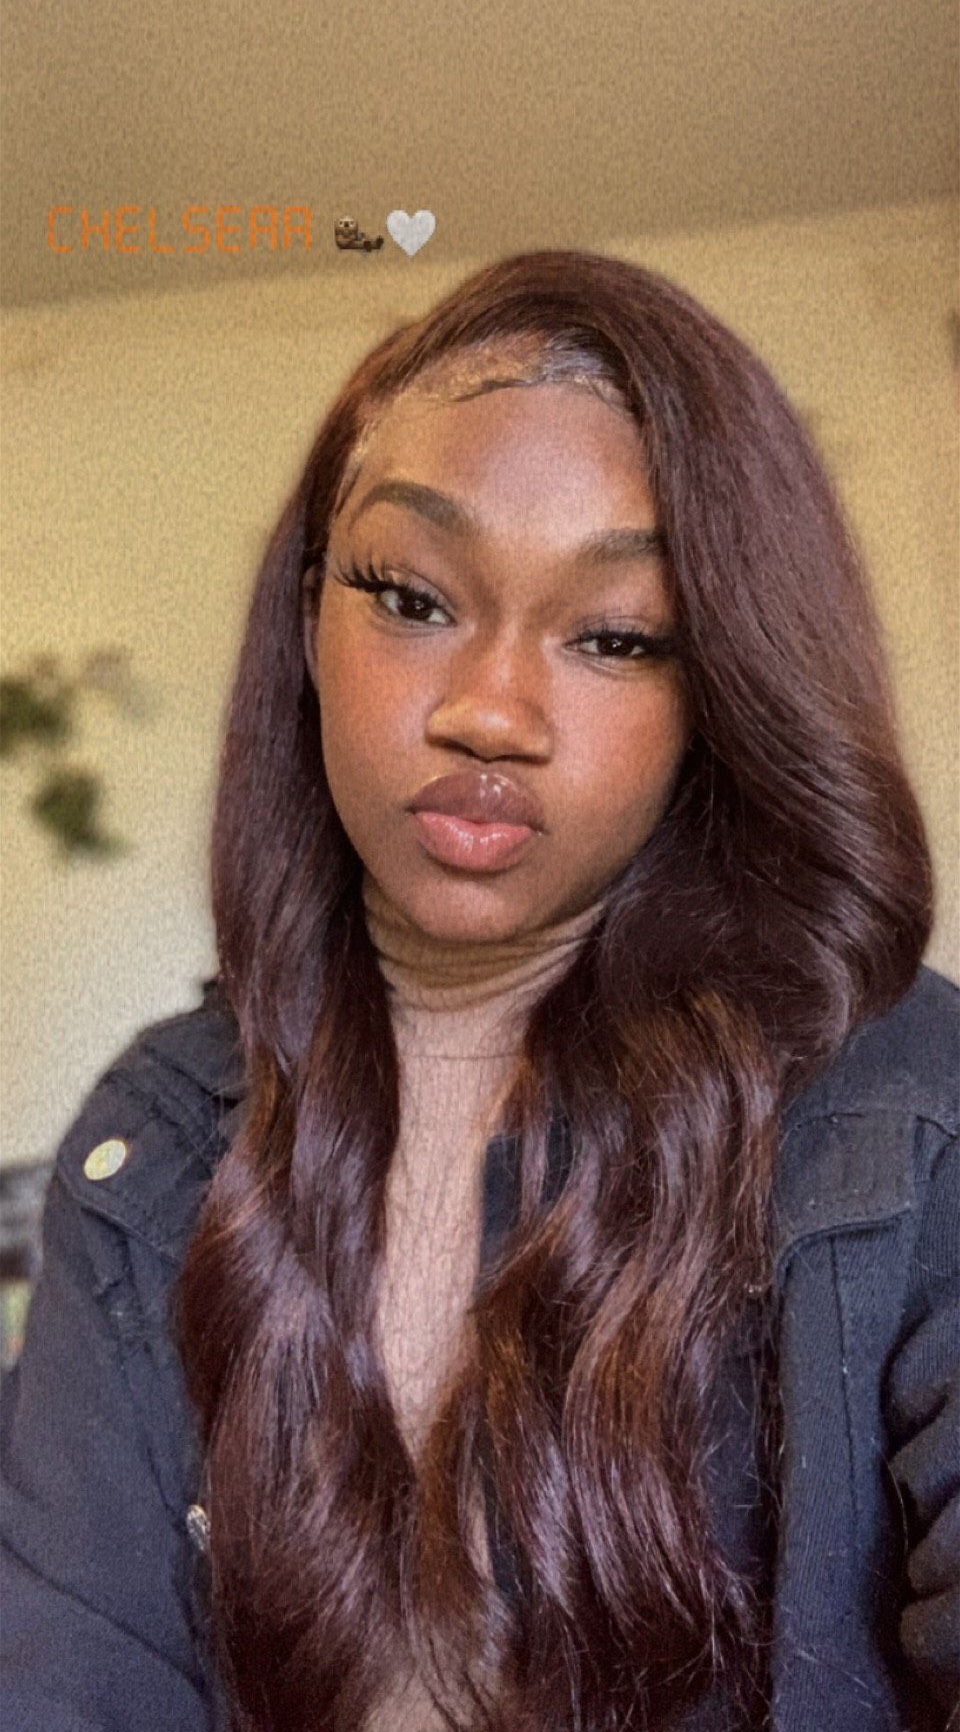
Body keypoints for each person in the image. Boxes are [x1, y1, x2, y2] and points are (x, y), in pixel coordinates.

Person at [1, 248, 957, 1732]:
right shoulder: (154, 1145)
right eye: (412, 596)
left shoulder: (904, 1111)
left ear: (720, 693)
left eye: (617, 635)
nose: (491, 711)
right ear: (308, 618)